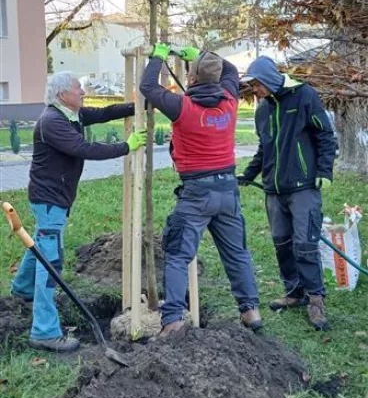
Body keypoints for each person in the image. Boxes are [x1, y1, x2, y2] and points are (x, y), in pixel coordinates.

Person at [11, 71, 147, 352]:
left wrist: (139, 105)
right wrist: (127, 146)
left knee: (40, 245)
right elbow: (84, 148)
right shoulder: (52, 122)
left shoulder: (72, 115)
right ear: (63, 94)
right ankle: (44, 331)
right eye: (78, 89)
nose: (83, 92)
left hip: (51, 200)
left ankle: (22, 290)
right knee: (51, 265)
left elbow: (105, 112)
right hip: (50, 201)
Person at [140, 43, 261, 336]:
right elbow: (230, 70)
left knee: (178, 254)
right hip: (228, 191)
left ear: (191, 79)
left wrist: (158, 56)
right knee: (237, 253)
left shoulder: (183, 107)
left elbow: (147, 86)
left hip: (197, 193)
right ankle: (250, 312)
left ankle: (172, 321)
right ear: (217, 79)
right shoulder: (230, 99)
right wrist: (201, 56)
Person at [237, 56, 335, 331]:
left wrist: (324, 171)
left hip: (304, 187)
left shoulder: (304, 95)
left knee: (305, 245)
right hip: (274, 190)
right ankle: (295, 293)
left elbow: (325, 136)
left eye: (256, 85)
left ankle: (315, 299)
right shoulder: (263, 110)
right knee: (282, 244)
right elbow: (263, 148)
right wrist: (249, 174)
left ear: (268, 80)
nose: (254, 91)